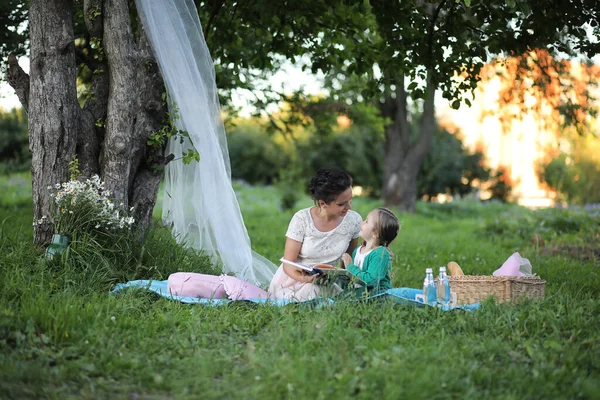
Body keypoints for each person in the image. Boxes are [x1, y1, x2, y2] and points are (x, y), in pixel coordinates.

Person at [268, 168, 362, 300]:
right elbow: (288, 263)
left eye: (350, 200)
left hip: (328, 280)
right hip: (296, 279)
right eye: (342, 204)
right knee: (313, 292)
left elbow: (348, 260)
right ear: (323, 203)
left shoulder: (353, 220)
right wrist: (305, 278)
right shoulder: (302, 219)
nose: (349, 207)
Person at [341, 207, 400, 296]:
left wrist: (350, 266)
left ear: (375, 233)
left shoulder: (381, 254)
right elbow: (352, 278)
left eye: (367, 221)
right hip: (358, 294)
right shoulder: (357, 251)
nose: (362, 223)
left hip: (376, 296)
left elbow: (370, 281)